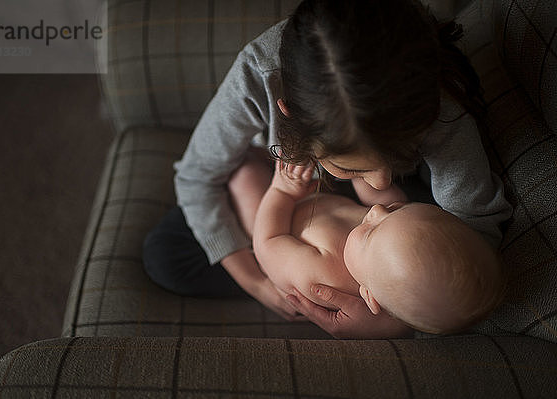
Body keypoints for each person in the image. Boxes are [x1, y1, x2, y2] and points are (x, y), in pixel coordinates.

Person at [143, 0, 512, 337]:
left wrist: (399, 317)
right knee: (166, 254)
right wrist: (257, 282)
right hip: (291, 181)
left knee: (424, 254)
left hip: (345, 219)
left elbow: (471, 246)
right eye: (353, 168)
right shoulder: (259, 76)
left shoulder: (428, 88)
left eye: (400, 154)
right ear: (291, 117)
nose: (383, 185)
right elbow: (196, 179)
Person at [228, 152, 505, 338]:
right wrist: (361, 171)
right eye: (397, 210)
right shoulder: (391, 249)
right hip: (317, 196)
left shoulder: (321, 275)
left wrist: (281, 192)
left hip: (275, 219)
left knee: (245, 175)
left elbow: (268, 243)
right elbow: (375, 194)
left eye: (372, 231)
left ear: (369, 296)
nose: (376, 212)